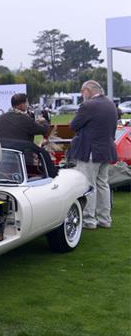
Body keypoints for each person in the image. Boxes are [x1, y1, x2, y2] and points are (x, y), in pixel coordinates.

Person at [68, 80, 117, 229]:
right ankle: (105, 219)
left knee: (89, 185)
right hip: (106, 150)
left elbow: (73, 125)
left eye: (82, 92)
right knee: (103, 184)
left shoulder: (88, 105)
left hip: (91, 151)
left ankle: (89, 220)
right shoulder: (110, 104)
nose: (82, 95)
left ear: (87, 91)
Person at [0, 93, 56, 177]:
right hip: (22, 161)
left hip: (2, 160)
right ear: (22, 105)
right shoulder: (26, 120)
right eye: (27, 103)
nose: (27, 105)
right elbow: (44, 130)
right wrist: (45, 121)